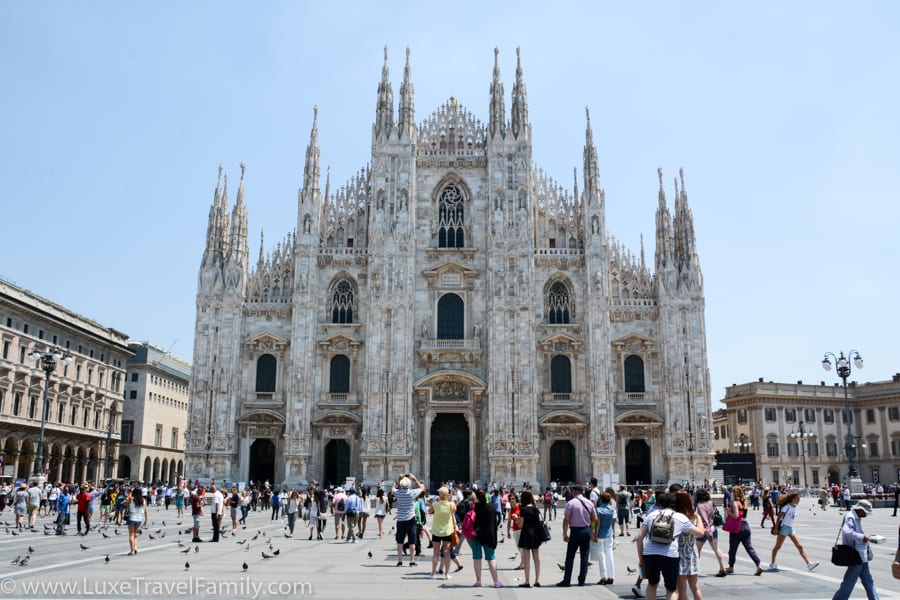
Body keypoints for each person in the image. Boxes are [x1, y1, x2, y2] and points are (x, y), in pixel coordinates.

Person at [635, 492, 705, 600]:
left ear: (660, 504)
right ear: (674, 505)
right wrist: (698, 518)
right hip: (670, 555)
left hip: (650, 554)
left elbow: (639, 538)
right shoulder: (679, 517)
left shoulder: (651, 515)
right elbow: (700, 533)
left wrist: (641, 559)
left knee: (652, 584)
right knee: (671, 589)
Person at [832, 499, 879, 600]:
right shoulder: (850, 516)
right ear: (860, 509)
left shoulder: (855, 516)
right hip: (856, 556)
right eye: (865, 513)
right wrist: (862, 537)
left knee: (868, 580)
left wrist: (867, 537)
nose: (866, 515)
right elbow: (847, 532)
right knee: (849, 582)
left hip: (861, 555)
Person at [557, 484, 598, 587]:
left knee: (570, 556)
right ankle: (582, 580)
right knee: (584, 557)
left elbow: (566, 519)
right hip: (586, 531)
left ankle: (567, 580)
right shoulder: (589, 503)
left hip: (575, 531)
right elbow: (595, 519)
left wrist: (565, 533)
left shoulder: (571, 503)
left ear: (575, 491)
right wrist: (592, 530)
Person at [769, 492, 819, 572]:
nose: (798, 500)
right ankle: (772, 563)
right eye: (797, 499)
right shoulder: (786, 507)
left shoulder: (794, 507)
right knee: (778, 546)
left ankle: (809, 564)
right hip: (784, 527)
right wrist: (776, 527)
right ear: (792, 499)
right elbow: (779, 517)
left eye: (799, 499)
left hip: (791, 528)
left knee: (799, 546)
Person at [726, 486, 764, 576]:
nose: (731, 494)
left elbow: (735, 516)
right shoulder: (745, 502)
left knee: (733, 549)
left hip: (737, 527)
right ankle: (758, 564)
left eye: (732, 493)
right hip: (746, 525)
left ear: (735, 493)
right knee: (749, 547)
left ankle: (731, 567)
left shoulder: (735, 503)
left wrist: (728, 511)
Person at [469, 488, 502, 588]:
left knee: (477, 557)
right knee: (491, 558)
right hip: (488, 536)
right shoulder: (491, 507)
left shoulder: (474, 507)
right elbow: (495, 522)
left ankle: (478, 581)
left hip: (476, 535)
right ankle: (496, 582)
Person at [674, 490, 703, 600]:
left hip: (679, 553)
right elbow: (701, 532)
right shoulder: (693, 516)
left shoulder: (675, 517)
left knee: (681, 588)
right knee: (695, 587)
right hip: (691, 553)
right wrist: (698, 517)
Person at [392, 474, 425, 567]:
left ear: (401, 485)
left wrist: (398, 479)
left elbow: (393, 488)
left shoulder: (398, 493)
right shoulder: (412, 493)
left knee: (400, 541)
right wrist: (415, 479)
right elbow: (422, 488)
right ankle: (412, 560)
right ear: (409, 485)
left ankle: (399, 561)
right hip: (411, 520)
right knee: (412, 541)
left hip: (400, 520)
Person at [694, 488, 727, 577]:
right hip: (713, 528)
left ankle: (695, 569)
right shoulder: (711, 503)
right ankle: (722, 568)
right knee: (716, 548)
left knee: (697, 549)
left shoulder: (700, 506)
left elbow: (704, 519)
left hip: (704, 529)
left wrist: (704, 528)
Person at [514, 490, 544, 587]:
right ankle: (537, 580)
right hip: (535, 534)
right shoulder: (535, 509)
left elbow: (521, 525)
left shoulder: (523, 509)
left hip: (526, 534)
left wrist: (515, 519)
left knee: (527, 559)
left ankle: (527, 581)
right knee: (536, 558)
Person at [429, 486, 456, 580]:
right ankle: (447, 574)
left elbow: (429, 511)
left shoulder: (435, 504)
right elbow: (453, 511)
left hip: (436, 531)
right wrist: (451, 499)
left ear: (439, 495)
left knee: (435, 553)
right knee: (447, 553)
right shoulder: (451, 505)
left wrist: (433, 503)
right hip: (447, 531)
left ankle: (433, 574)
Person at [595, 491, 616, 585]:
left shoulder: (598, 510)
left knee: (601, 555)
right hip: (609, 533)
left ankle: (603, 576)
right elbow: (613, 521)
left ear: (601, 499)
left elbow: (597, 524)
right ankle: (611, 576)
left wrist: (594, 534)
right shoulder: (612, 509)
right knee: (610, 554)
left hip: (600, 534)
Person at [125, 485, 148, 555]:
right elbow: (145, 511)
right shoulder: (143, 500)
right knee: (135, 534)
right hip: (139, 519)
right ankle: (135, 548)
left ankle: (132, 550)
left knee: (131, 535)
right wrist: (146, 520)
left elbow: (126, 505)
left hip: (132, 518)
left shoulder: (131, 499)